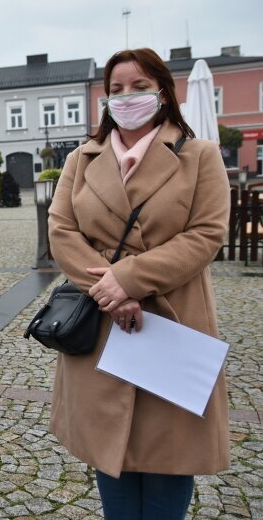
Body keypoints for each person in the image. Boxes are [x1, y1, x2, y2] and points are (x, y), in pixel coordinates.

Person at [47, 48, 230, 520]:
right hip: (105, 322)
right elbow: (61, 229)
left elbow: (208, 233)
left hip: (172, 318)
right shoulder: (82, 158)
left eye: (139, 86)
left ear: (164, 93)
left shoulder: (200, 156)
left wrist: (128, 280)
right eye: (116, 90)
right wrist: (109, 292)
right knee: (113, 451)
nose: (127, 97)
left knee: (170, 453)